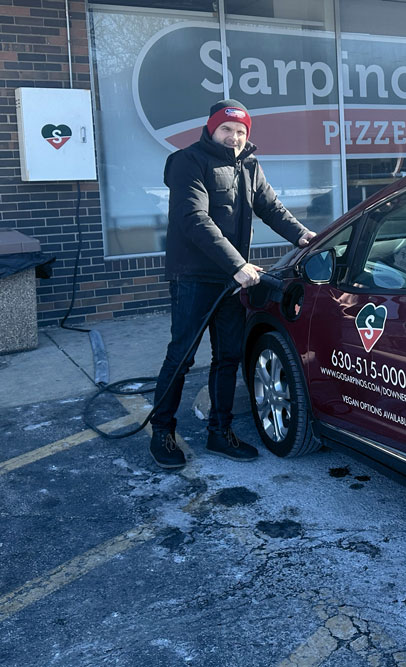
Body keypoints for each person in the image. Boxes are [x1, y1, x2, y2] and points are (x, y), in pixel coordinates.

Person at [149, 99, 316, 469]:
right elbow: (194, 219)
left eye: (241, 132)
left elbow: (272, 209)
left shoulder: (249, 165)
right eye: (227, 129)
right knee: (182, 356)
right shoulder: (187, 162)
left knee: (227, 357)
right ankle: (162, 432)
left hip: (231, 280)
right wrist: (238, 264)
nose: (234, 137)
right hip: (194, 276)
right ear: (211, 128)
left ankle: (219, 432)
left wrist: (305, 237)